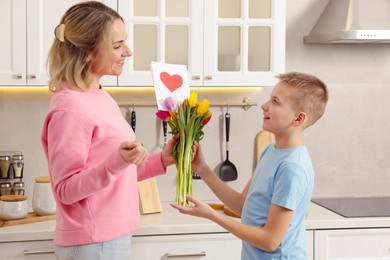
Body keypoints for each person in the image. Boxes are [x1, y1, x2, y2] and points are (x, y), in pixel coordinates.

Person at [41, 2, 175, 259]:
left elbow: (117, 172)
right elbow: (65, 189)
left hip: (109, 236)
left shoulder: (99, 96)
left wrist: (163, 160)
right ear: (88, 53)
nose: (128, 51)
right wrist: (116, 161)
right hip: (91, 242)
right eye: (117, 45)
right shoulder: (69, 108)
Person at [171, 72, 329, 259]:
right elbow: (242, 205)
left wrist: (212, 215)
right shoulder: (271, 150)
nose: (264, 106)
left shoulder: (292, 168)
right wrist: (203, 170)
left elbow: (270, 241)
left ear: (298, 119)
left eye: (275, 102)